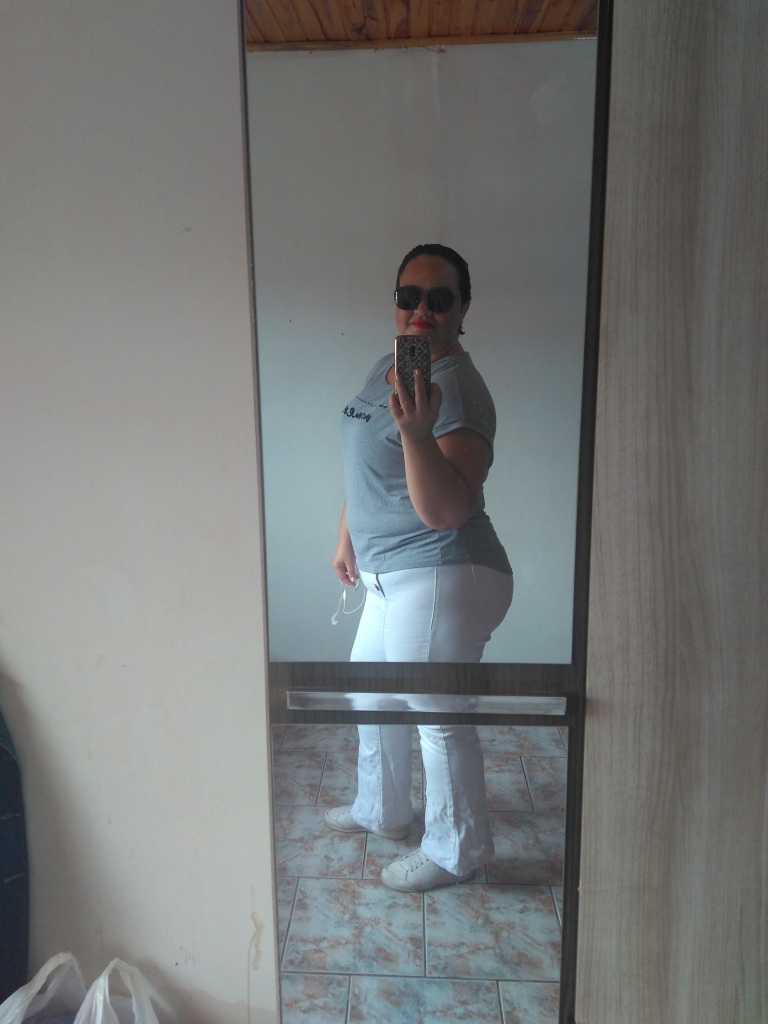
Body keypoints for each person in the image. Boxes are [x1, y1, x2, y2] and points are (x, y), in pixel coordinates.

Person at [326, 243, 513, 892]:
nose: (422, 310)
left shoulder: (457, 389)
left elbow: (446, 512)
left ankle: (458, 851)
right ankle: (381, 809)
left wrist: (416, 433)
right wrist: (348, 536)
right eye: (410, 296)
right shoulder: (390, 366)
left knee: (436, 711)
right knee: (370, 692)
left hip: (444, 570)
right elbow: (365, 463)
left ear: (463, 309)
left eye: (440, 299)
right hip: (389, 572)